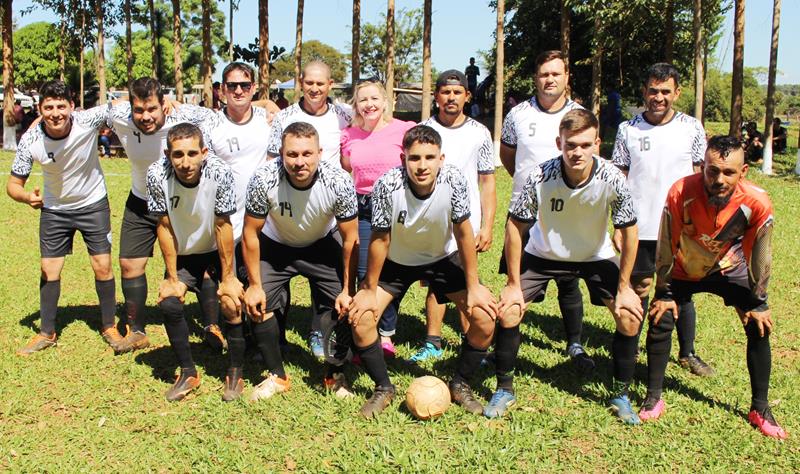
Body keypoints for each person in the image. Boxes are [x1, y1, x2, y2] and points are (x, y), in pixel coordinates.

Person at [495, 109, 643, 422]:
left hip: (594, 256)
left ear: (597, 144)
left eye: (585, 145)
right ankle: (504, 388)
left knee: (629, 317)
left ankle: (620, 394)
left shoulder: (613, 178)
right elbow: (514, 227)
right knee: (508, 311)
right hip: (543, 253)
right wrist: (512, 284)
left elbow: (630, 233)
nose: (577, 152)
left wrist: (625, 287)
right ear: (559, 142)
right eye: (571, 144)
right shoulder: (539, 176)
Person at [347, 125, 498, 418]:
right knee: (361, 318)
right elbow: (380, 239)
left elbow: (464, 233)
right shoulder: (387, 185)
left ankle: (461, 383)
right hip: (398, 261)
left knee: (484, 318)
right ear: (403, 157)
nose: (422, 165)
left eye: (430, 157)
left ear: (441, 158)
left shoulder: (453, 179)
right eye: (414, 158)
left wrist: (474, 285)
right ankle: (383, 388)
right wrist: (367, 289)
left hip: (443, 258)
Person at [642, 135, 787, 440]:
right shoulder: (681, 190)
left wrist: (757, 301)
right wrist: (663, 292)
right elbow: (667, 241)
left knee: (759, 326)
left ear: (743, 171)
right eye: (712, 171)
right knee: (661, 317)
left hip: (729, 268)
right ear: (703, 166)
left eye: (728, 173)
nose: (718, 180)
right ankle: (654, 395)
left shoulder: (757, 201)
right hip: (685, 267)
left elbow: (761, 254)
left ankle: (760, 408)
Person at [237, 121, 359, 402]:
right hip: (275, 245)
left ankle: (333, 374)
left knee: (341, 307)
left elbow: (350, 239)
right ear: (281, 153)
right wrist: (254, 284)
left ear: (320, 152)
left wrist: (347, 289)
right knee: (258, 302)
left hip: (321, 244)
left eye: (307, 154)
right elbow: (250, 233)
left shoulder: (338, 181)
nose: (299, 162)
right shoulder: (264, 177)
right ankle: (277, 376)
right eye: (292, 154)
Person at [106, 77, 220, 354]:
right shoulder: (120, 115)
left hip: (179, 204)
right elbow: (101, 110)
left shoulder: (179, 115)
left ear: (162, 105)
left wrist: (180, 105)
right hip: (140, 202)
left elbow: (216, 116)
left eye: (152, 109)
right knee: (129, 265)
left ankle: (212, 327)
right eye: (139, 110)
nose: (145, 117)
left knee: (200, 264)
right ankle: (136, 331)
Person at [611, 63, 711, 376]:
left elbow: (701, 175)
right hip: (638, 226)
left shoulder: (692, 128)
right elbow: (618, 178)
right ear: (644, 92)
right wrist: (617, 223)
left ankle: (687, 352)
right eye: (653, 90)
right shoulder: (628, 129)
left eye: (665, 91)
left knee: (679, 290)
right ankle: (634, 342)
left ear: (677, 93)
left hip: (680, 226)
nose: (658, 97)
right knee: (639, 285)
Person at [9, 80, 122, 354]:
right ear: (40, 109)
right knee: (49, 270)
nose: (56, 113)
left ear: (72, 106)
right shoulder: (31, 140)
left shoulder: (87, 120)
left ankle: (109, 327)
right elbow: (13, 186)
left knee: (102, 266)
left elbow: (118, 106)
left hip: (92, 203)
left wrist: (170, 103)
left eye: (61, 106)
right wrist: (28, 198)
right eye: (49, 107)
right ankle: (47, 332)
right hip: (55, 210)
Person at [499, 50, 591, 370]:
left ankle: (575, 342)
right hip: (525, 215)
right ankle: (511, 337)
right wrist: (530, 187)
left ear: (567, 77)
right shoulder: (517, 115)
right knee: (518, 278)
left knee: (569, 281)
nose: (549, 79)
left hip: (568, 215)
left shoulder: (580, 114)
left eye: (556, 73)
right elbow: (509, 157)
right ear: (535, 78)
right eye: (544, 74)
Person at [146, 123, 243, 401]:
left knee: (232, 302)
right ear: (168, 154)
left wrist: (228, 277)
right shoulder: (155, 175)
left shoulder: (220, 172)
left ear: (204, 152)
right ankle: (188, 371)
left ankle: (235, 373)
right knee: (169, 301)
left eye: (191, 154)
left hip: (215, 246)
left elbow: (223, 226)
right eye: (178, 155)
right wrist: (172, 278)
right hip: (185, 252)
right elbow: (163, 226)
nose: (185, 162)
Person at [411, 70, 496, 363]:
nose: (451, 97)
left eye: (457, 92)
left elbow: (487, 181)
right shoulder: (422, 130)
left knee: (463, 281)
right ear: (436, 96)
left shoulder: (479, 133)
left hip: (465, 224)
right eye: (445, 92)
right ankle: (433, 341)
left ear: (467, 96)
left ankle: (473, 343)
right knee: (436, 283)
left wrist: (486, 225)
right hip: (429, 222)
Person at [268, 60, 352, 357]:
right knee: (279, 273)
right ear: (300, 82)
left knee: (326, 275)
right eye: (309, 83)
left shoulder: (344, 115)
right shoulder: (285, 117)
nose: (315, 88)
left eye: (321, 83)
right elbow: (271, 161)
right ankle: (277, 332)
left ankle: (319, 330)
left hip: (327, 209)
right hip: (291, 205)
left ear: (330, 85)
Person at [340, 79, 415, 358]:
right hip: (364, 209)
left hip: (396, 208)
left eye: (374, 99)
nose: (369, 104)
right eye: (363, 100)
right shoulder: (348, 135)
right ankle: (362, 337)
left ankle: (385, 336)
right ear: (356, 105)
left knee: (389, 274)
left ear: (385, 102)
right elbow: (347, 169)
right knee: (363, 273)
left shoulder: (404, 130)